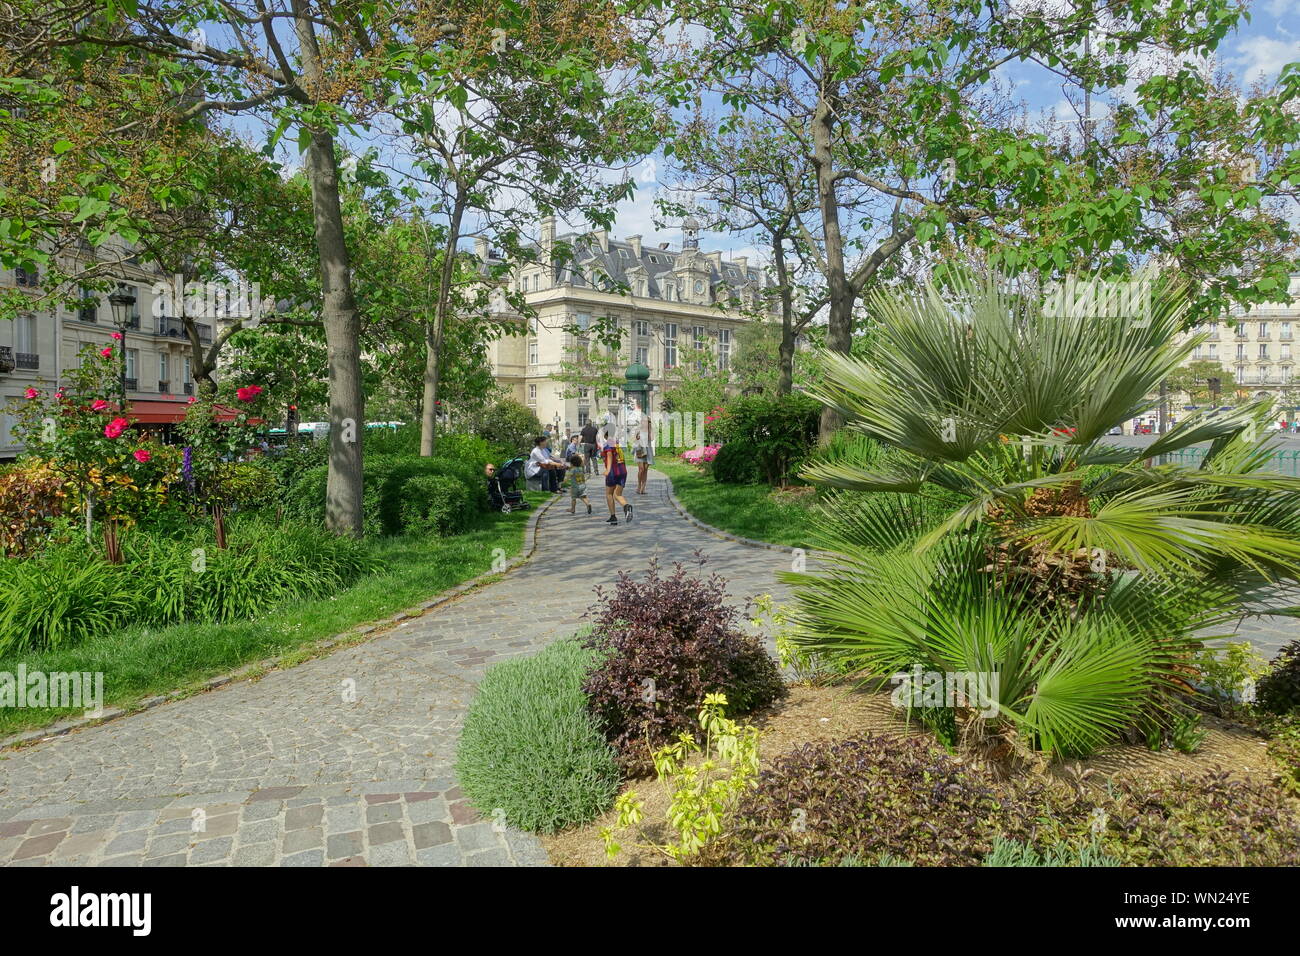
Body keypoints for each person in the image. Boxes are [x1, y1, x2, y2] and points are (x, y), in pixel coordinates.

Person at [601, 427, 631, 524]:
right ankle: (626, 506)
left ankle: (613, 516)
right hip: (622, 471)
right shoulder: (617, 443)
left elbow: (609, 455)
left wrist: (608, 469)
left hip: (613, 472)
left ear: (605, 435)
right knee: (617, 494)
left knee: (609, 494)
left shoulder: (608, 444)